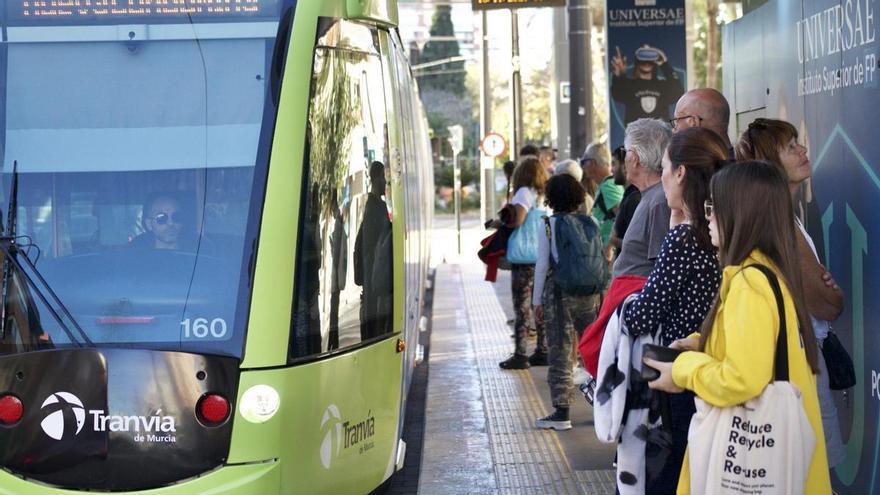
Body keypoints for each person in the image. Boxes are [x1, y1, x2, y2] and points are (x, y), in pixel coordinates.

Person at [645, 160, 831, 494]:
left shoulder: (749, 283)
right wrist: (703, 343)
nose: (708, 216)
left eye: (713, 206)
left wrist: (684, 370)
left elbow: (742, 379)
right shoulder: (769, 272)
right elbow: (761, 348)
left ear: (740, 214)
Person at [620, 127, 727, 492]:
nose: (662, 177)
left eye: (665, 168)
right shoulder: (721, 232)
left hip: (678, 382)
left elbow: (643, 316)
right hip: (712, 377)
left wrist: (625, 306)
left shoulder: (684, 239)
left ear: (681, 173)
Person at [735, 117, 846, 468]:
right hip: (801, 368)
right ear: (770, 164)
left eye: (799, 142)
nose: (803, 150)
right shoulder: (780, 222)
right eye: (790, 147)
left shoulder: (782, 217)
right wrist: (832, 291)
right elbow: (828, 304)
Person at [579, 118, 672, 377]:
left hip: (635, 310)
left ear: (635, 158)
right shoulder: (649, 197)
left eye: (627, 152)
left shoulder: (658, 202)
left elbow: (659, 271)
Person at [532, 174, 602, 430]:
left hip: (560, 294)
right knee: (593, 349)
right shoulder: (591, 221)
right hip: (590, 294)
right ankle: (604, 406)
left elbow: (542, 265)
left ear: (551, 198)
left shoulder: (548, 225)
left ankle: (562, 412)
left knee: (560, 350)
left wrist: (536, 301)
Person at [499, 157, 549, 370]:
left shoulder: (523, 193)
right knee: (539, 304)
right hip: (541, 255)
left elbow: (517, 220)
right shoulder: (543, 194)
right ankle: (542, 350)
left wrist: (498, 222)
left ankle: (520, 354)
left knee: (521, 306)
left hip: (523, 260)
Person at [354, 161, 393, 342]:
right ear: (376, 177)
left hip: (376, 285)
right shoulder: (373, 208)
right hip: (375, 287)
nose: (386, 182)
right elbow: (371, 253)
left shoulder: (378, 206)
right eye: (384, 177)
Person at [610, 45, 684, 126]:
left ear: (654, 63)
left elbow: (679, 93)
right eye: (643, 60)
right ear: (637, 62)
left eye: (650, 61)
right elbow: (617, 94)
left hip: (661, 135)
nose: (647, 64)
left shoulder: (662, 86)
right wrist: (619, 75)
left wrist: (664, 64)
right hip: (636, 135)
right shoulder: (629, 85)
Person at [581, 142, 623, 249]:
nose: (583, 167)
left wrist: (609, 247)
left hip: (611, 254)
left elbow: (622, 217)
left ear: (593, 163)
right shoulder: (606, 185)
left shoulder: (608, 186)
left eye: (584, 162)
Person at [670, 88, 733, 156]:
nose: (673, 130)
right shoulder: (742, 162)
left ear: (694, 123)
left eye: (677, 122)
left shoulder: (700, 165)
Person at [609, 145, 640, 255]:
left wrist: (614, 240)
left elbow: (639, 246)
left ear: (624, 166)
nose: (611, 170)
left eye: (614, 164)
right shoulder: (629, 195)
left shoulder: (634, 198)